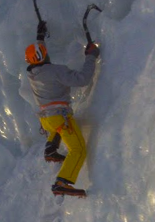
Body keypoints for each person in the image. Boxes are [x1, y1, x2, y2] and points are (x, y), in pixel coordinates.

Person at [25, 38, 100, 196]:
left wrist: (40, 37)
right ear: (45, 56)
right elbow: (82, 79)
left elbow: (41, 60)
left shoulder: (32, 74)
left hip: (47, 121)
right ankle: (62, 182)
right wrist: (91, 57)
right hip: (60, 118)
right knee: (78, 150)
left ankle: (51, 148)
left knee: (57, 130)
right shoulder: (56, 71)